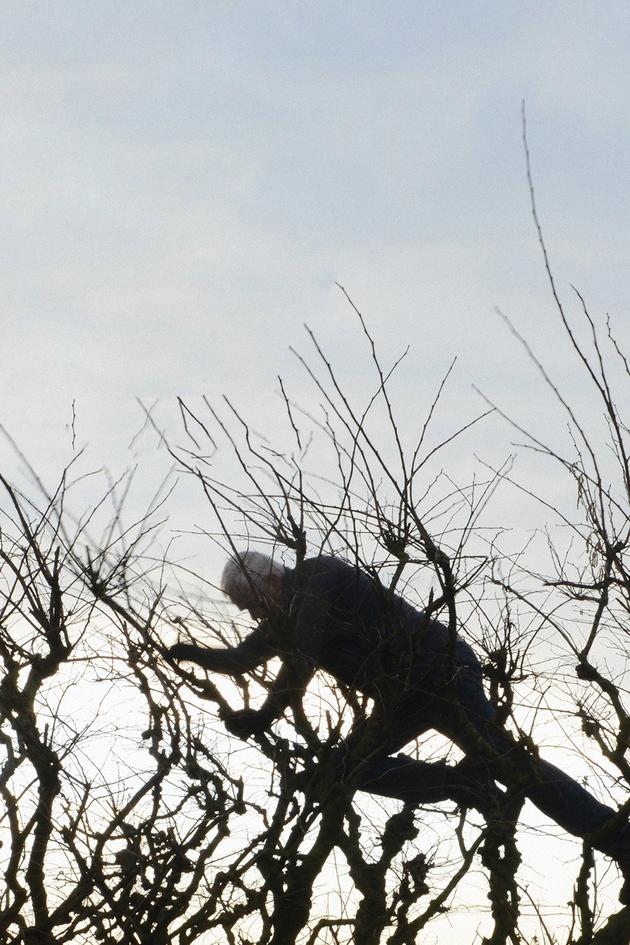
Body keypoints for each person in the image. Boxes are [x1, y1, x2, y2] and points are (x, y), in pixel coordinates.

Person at [169, 549, 630, 901]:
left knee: (511, 763)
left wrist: (266, 714)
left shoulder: (317, 576)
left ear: (271, 578)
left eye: (249, 602)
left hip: (441, 672)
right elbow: (240, 659)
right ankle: (459, 783)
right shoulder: (284, 620)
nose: (252, 615)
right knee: (348, 768)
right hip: (401, 697)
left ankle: (620, 841)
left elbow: (303, 656)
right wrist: (188, 652)